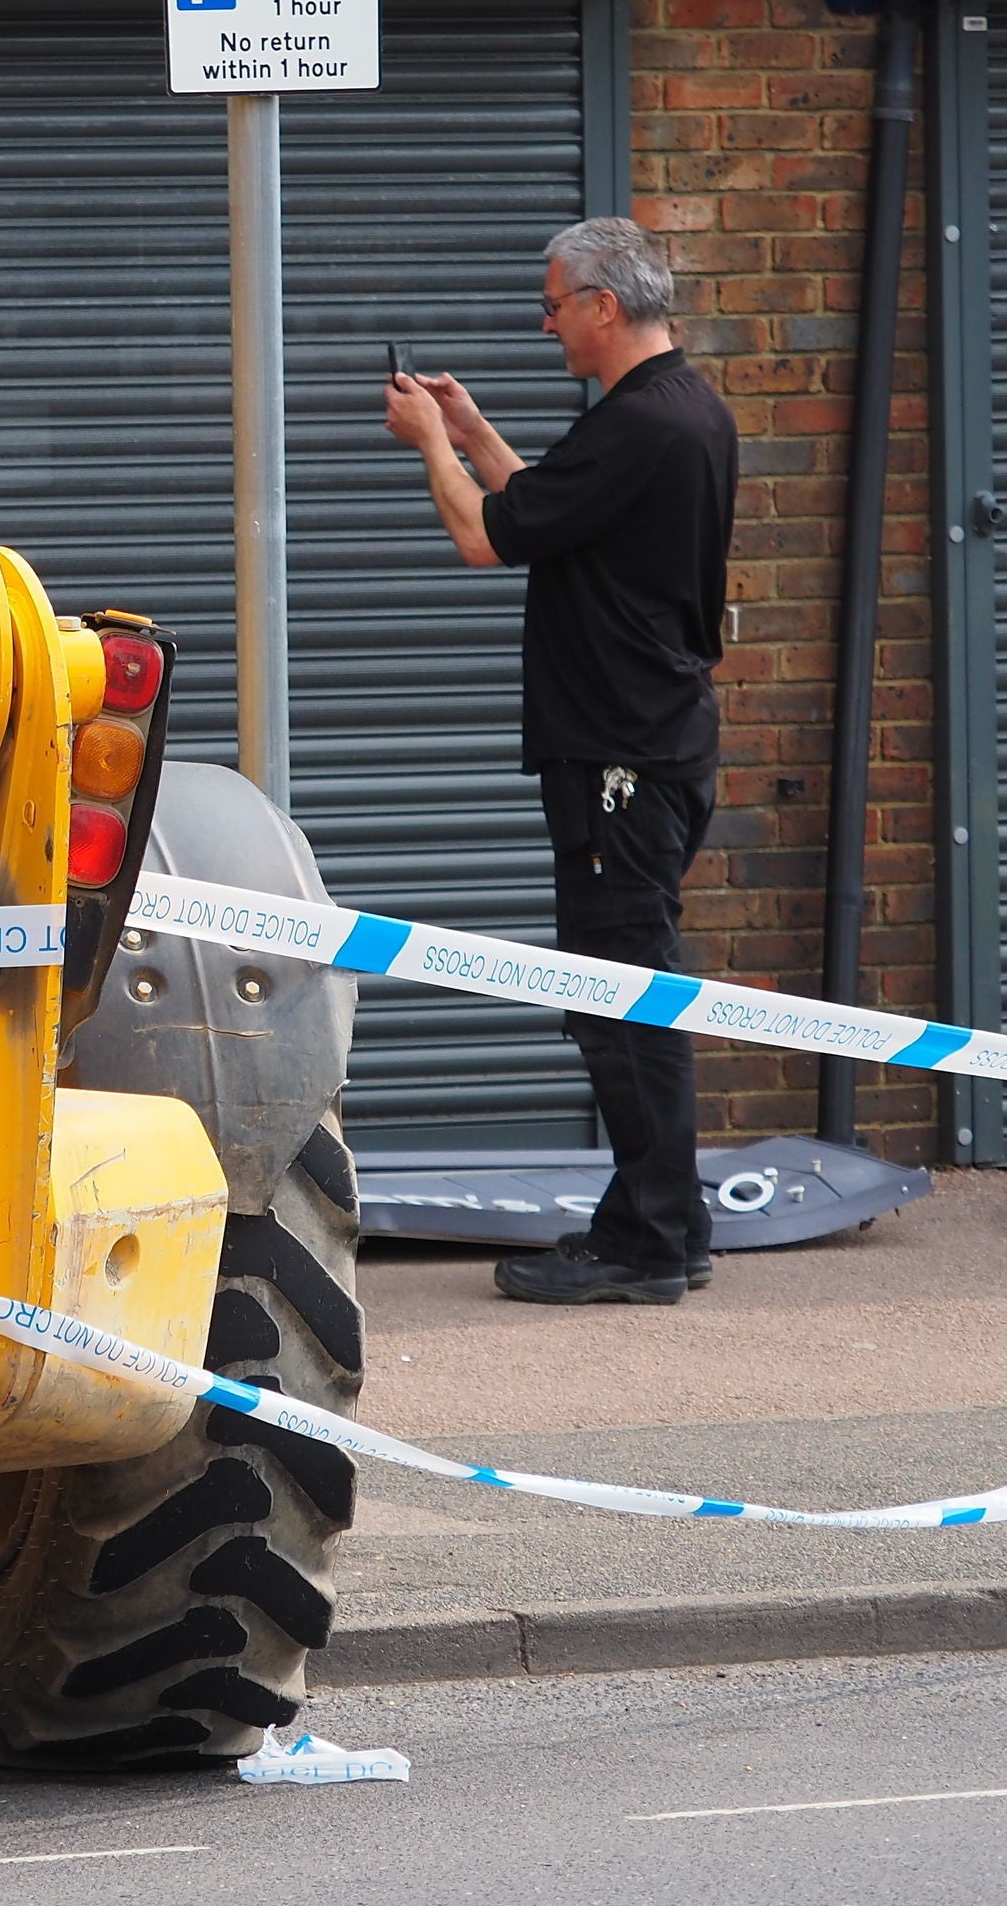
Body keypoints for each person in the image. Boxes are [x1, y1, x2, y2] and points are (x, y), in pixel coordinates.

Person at [382, 217, 740, 1307]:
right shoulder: (675, 411)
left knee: (619, 1000)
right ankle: (659, 1227)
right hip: (648, 745)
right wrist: (476, 428)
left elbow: (484, 537)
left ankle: (647, 1243)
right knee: (629, 994)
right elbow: (542, 510)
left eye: (550, 304)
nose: (543, 323)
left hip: (619, 759)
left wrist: (430, 449)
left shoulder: (639, 426)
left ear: (600, 305)